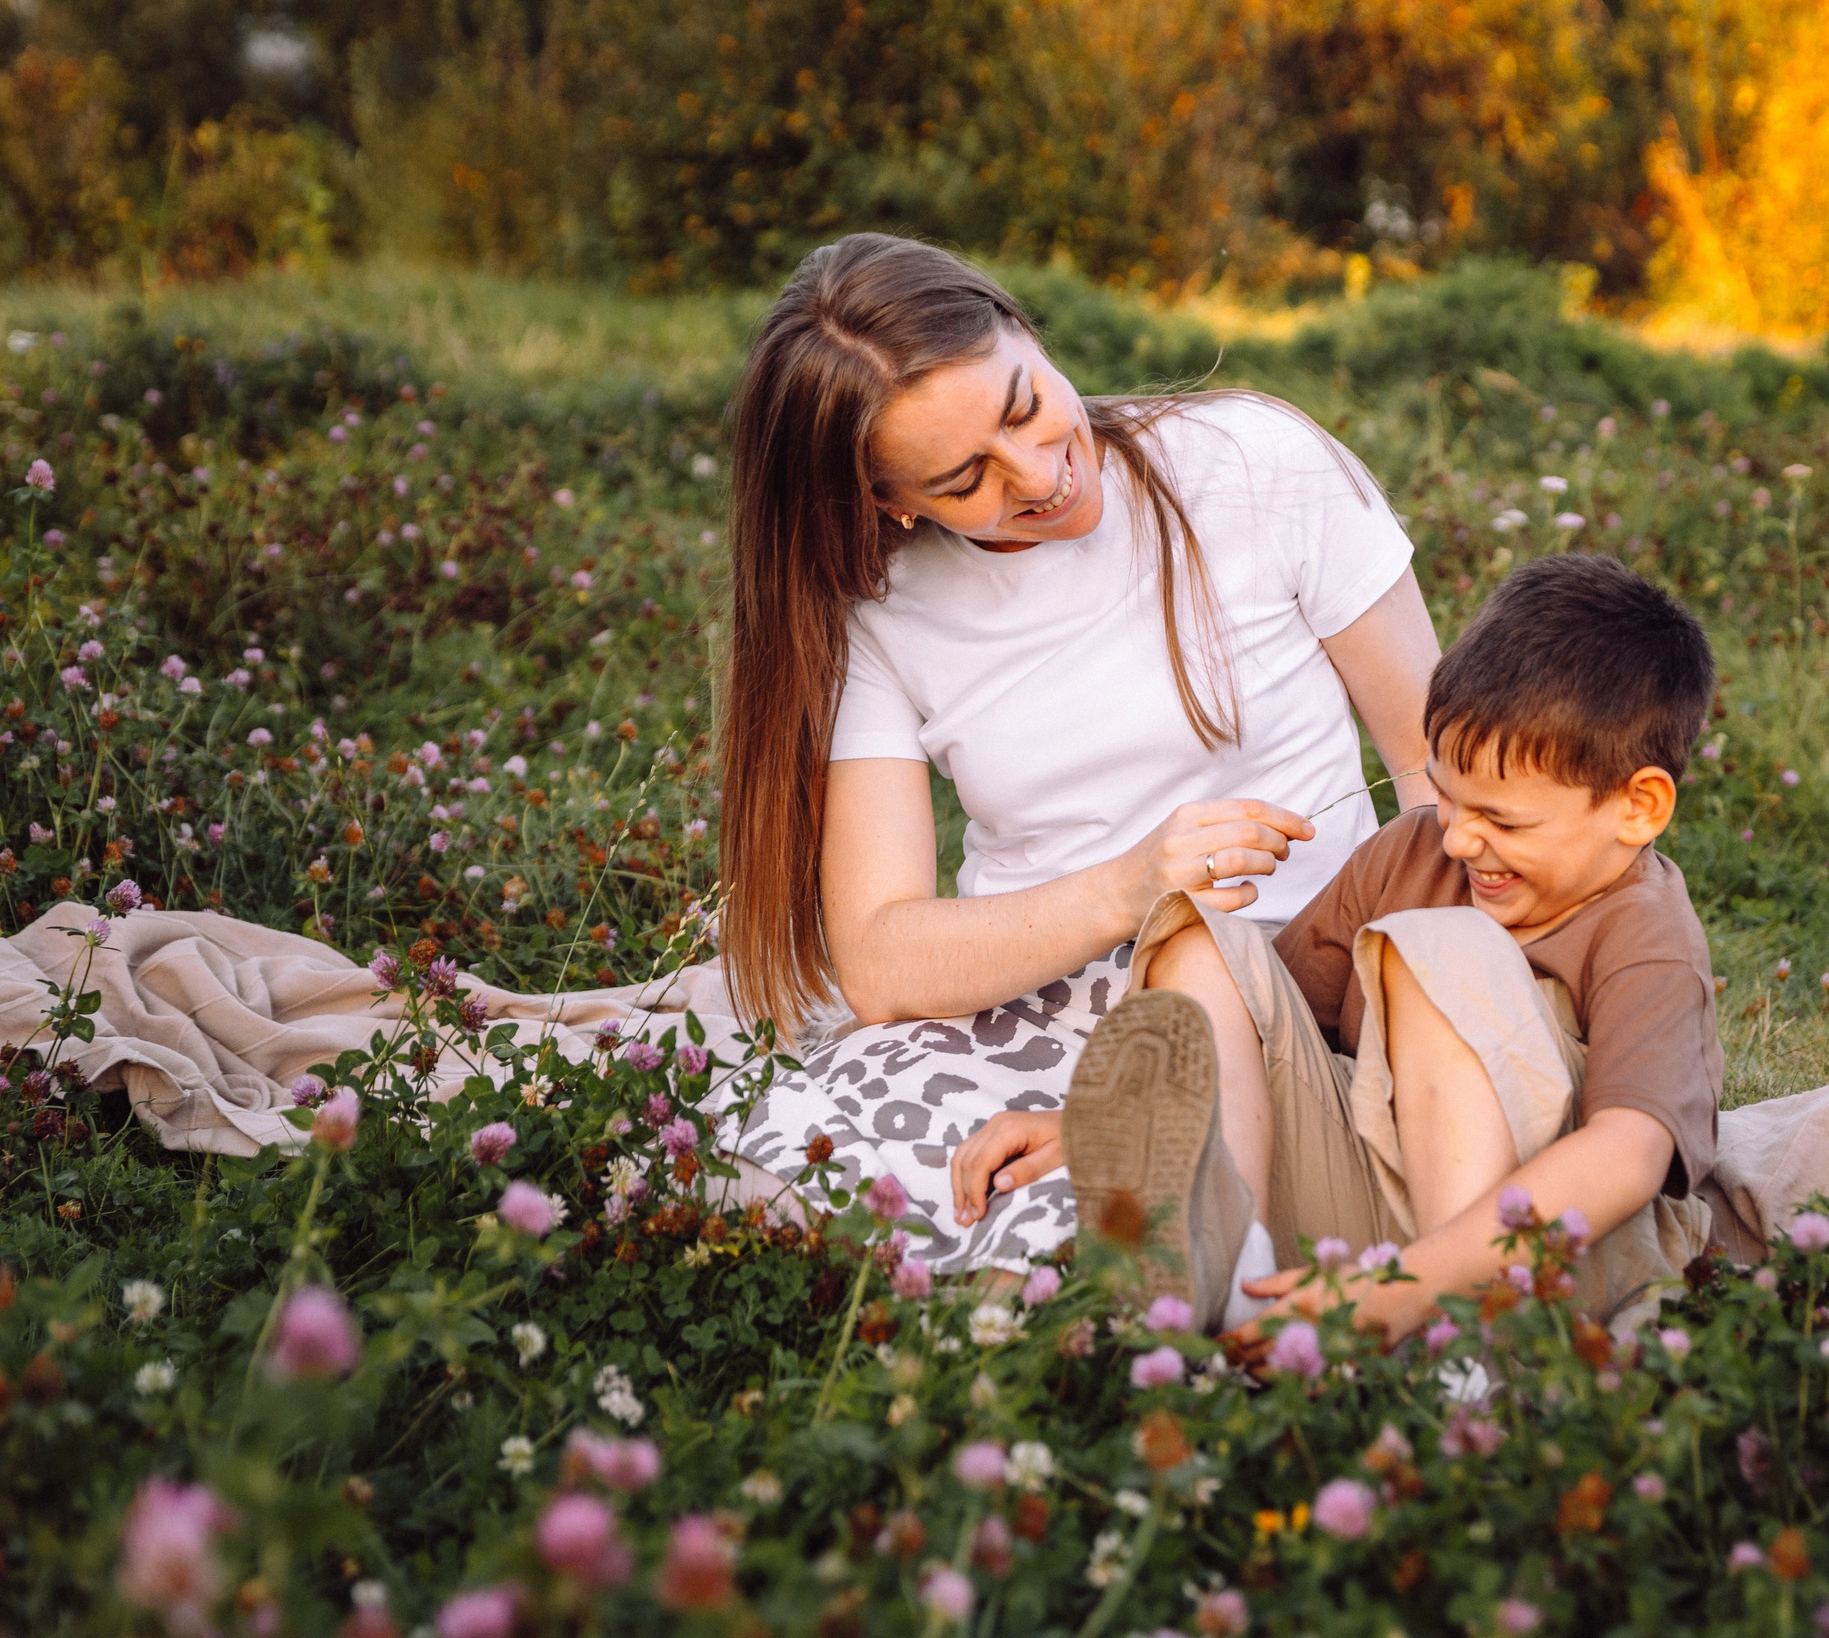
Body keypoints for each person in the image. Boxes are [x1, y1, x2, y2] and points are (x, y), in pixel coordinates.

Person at [709, 233, 1440, 1271]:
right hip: (1029, 1005)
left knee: (1128, 1222)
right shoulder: (879, 612)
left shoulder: (1255, 461)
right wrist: (1125, 889)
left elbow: (1431, 763)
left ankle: (1189, 1263)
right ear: (891, 502)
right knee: (795, 1167)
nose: (1039, 475)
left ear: (1024, 328)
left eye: (1022, 407)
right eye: (966, 478)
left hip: (1288, 988)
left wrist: (1409, 1020)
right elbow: (877, 961)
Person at [975, 552, 1723, 1335]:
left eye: (1503, 821)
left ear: (1638, 807)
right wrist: (1103, 1121)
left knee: (1446, 952)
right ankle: (1231, 1275)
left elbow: (1628, 1155)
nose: (1462, 840)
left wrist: (1417, 1284)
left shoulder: (1648, 933)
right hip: (1379, 1225)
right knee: (1206, 944)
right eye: (1445, 794)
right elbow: (1270, 1033)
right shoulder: (1409, 852)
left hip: (1551, 1259)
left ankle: (1466, 1350)